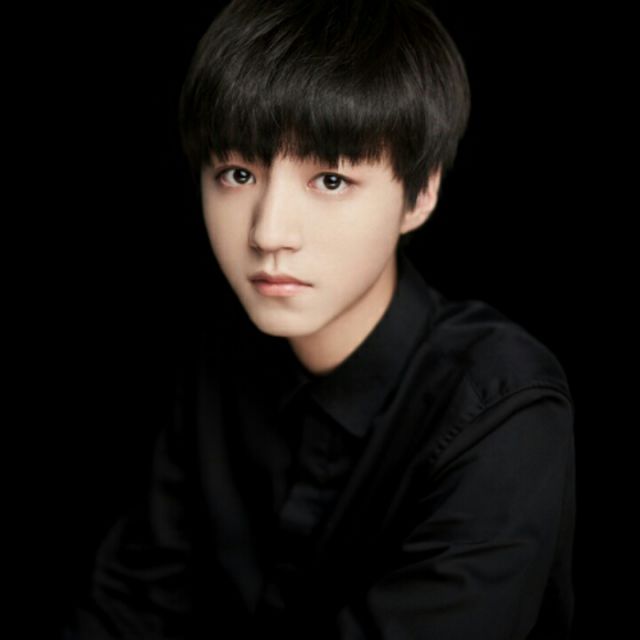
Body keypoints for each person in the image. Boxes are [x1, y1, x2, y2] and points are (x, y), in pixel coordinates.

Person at [70, 1, 577, 638]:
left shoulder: (502, 409)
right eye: (238, 173)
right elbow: (131, 608)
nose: (268, 233)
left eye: (331, 180)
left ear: (420, 196)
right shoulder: (215, 354)